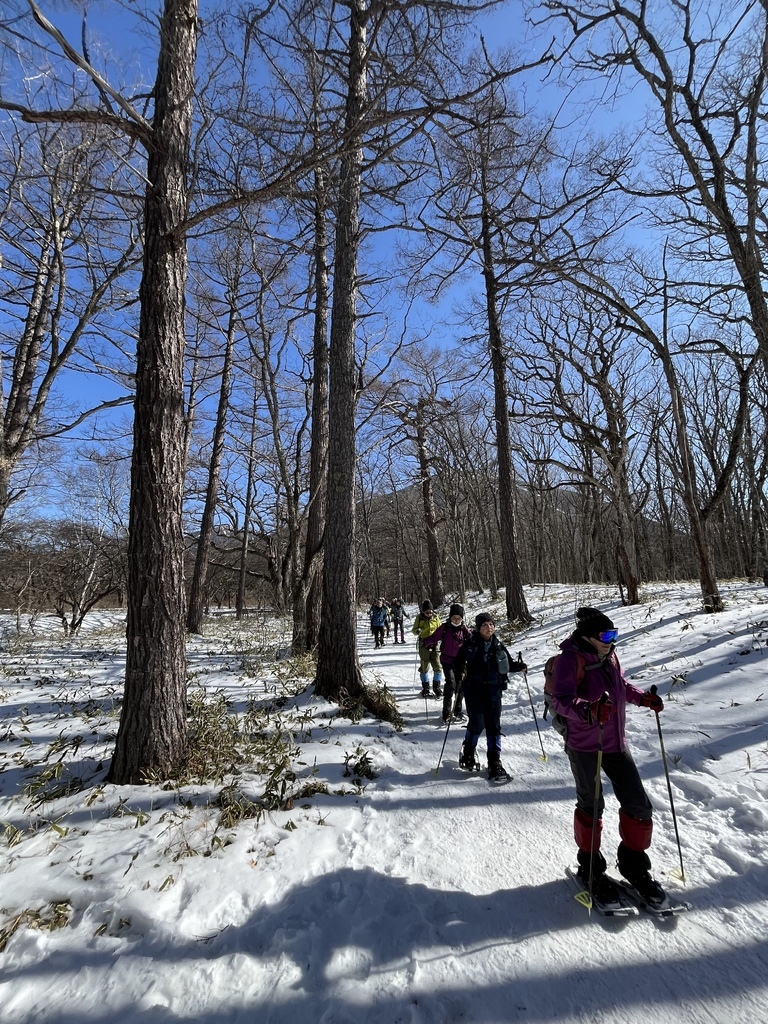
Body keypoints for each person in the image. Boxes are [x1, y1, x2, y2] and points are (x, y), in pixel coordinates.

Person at [550, 606, 667, 906]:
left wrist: (644, 698)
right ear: (588, 637)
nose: (611, 640)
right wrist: (587, 709)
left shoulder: (610, 656)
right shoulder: (570, 659)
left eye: (614, 634)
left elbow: (621, 687)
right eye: (606, 635)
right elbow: (562, 700)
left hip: (615, 742)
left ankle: (633, 865)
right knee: (592, 807)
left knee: (639, 804)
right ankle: (590, 869)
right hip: (584, 744)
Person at [453, 612, 525, 782]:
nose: (489, 627)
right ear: (478, 628)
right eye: (485, 625)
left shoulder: (498, 645)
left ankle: (494, 760)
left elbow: (507, 664)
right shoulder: (470, 644)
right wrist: (461, 671)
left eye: (491, 624)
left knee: (494, 726)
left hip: (494, 690)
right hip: (474, 690)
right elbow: (458, 662)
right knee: (477, 723)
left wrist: (519, 666)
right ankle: (468, 752)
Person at [423, 603, 471, 723]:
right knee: (450, 684)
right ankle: (446, 713)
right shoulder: (444, 627)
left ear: (461, 618)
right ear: (450, 617)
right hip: (446, 660)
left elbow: (473, 640)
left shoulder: (464, 630)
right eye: (454, 617)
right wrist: (425, 642)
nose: (456, 620)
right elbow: (434, 637)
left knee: (460, 686)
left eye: (458, 618)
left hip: (460, 662)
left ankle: (458, 711)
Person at [412, 599, 443, 697]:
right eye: (427, 612)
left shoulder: (436, 617)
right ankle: (425, 688)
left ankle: (436, 687)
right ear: (423, 612)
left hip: (435, 645)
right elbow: (414, 630)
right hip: (423, 645)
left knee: (438, 666)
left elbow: (440, 628)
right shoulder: (419, 618)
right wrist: (418, 631)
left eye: (431, 611)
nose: (429, 614)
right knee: (424, 666)